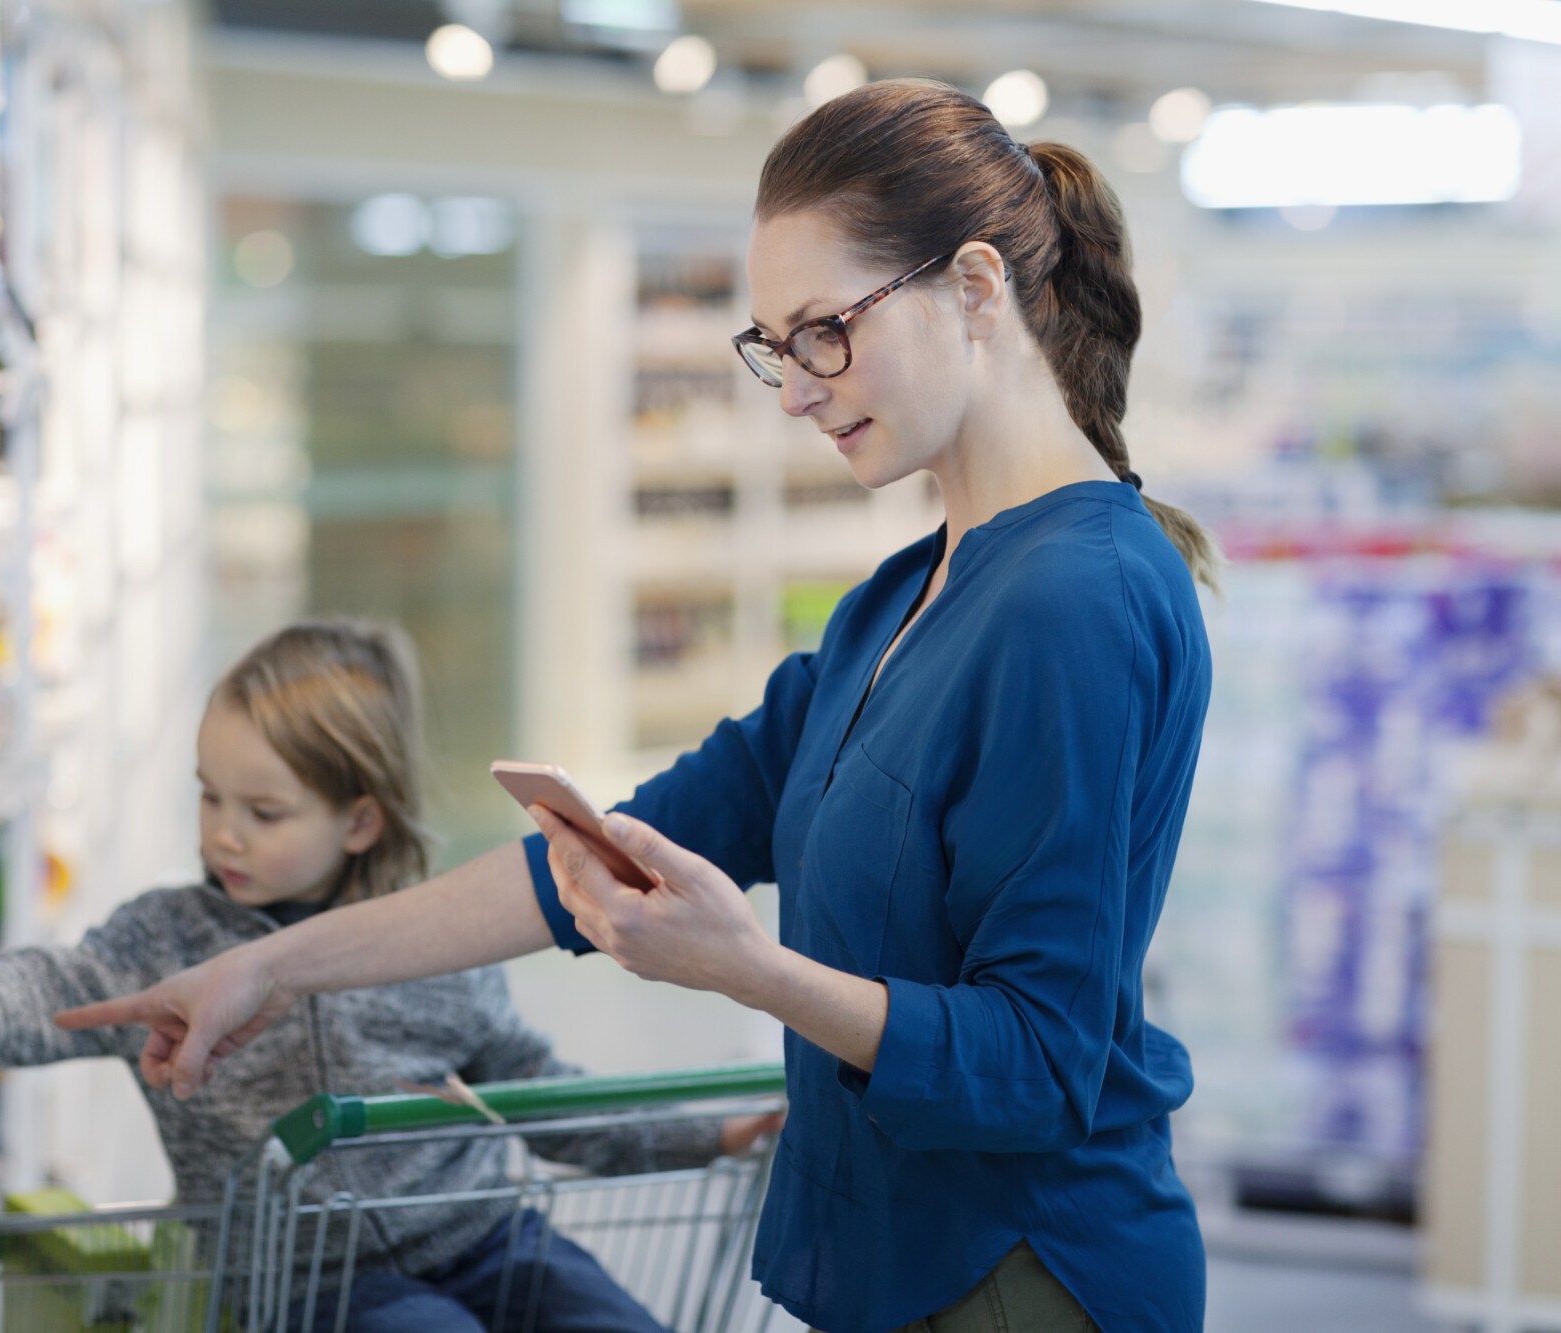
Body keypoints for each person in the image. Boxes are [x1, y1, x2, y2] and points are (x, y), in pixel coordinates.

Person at [60, 80, 1217, 1333]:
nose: (794, 388)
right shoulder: (902, 595)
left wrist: (747, 970)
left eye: (825, 328)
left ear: (977, 287)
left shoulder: (1077, 600)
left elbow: (1038, 1063)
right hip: (910, 1258)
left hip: (1025, 1272)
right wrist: (265, 968)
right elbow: (593, 858)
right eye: (774, 343)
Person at [0, 619, 775, 1332]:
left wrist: (705, 1132)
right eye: (209, 796)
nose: (222, 829)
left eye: (262, 811)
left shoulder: (432, 944)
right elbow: (23, 996)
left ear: (358, 820)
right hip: (306, 1286)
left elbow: (533, 1091)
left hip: (485, 1236)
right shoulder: (164, 939)